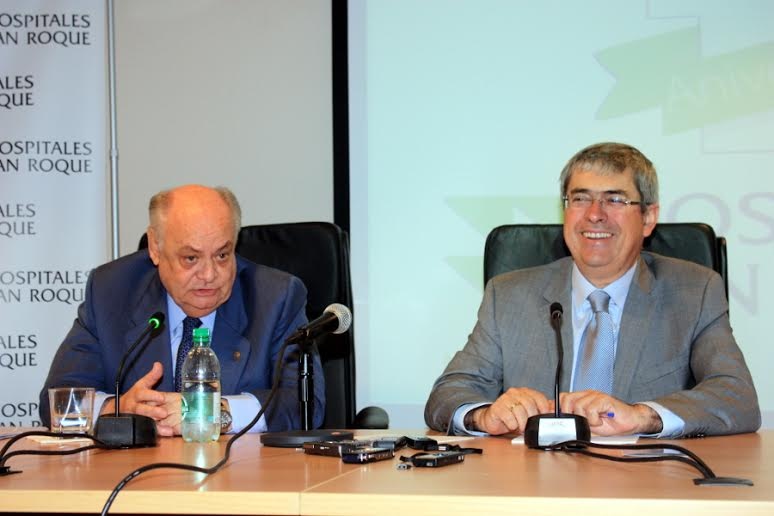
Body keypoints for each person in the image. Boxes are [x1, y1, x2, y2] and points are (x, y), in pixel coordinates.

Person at [425, 142, 760, 438]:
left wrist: (642, 417)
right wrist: (484, 415)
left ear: (648, 218)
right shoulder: (509, 295)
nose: (595, 215)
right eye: (580, 198)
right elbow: (447, 395)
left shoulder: (694, 291)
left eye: (614, 199)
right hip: (533, 479)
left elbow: (737, 398)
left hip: (643, 480)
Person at [39, 184, 324, 436]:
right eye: (191, 258)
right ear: (155, 247)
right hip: (138, 474)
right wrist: (118, 408)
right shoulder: (111, 292)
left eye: (222, 255)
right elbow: (57, 402)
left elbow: (306, 404)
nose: (209, 274)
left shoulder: (275, 298)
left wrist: (211, 413)